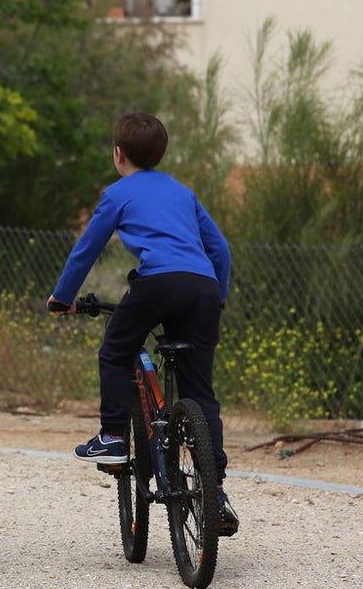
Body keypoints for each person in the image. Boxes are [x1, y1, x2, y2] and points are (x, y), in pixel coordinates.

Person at [46, 112, 239, 535]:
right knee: (199, 390)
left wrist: (62, 298)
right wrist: (217, 297)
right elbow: (220, 249)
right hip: (203, 287)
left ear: (119, 154)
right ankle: (216, 489)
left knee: (115, 352)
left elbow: (85, 251)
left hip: (157, 284)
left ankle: (113, 435)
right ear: (161, 153)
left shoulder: (117, 194)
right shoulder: (183, 192)